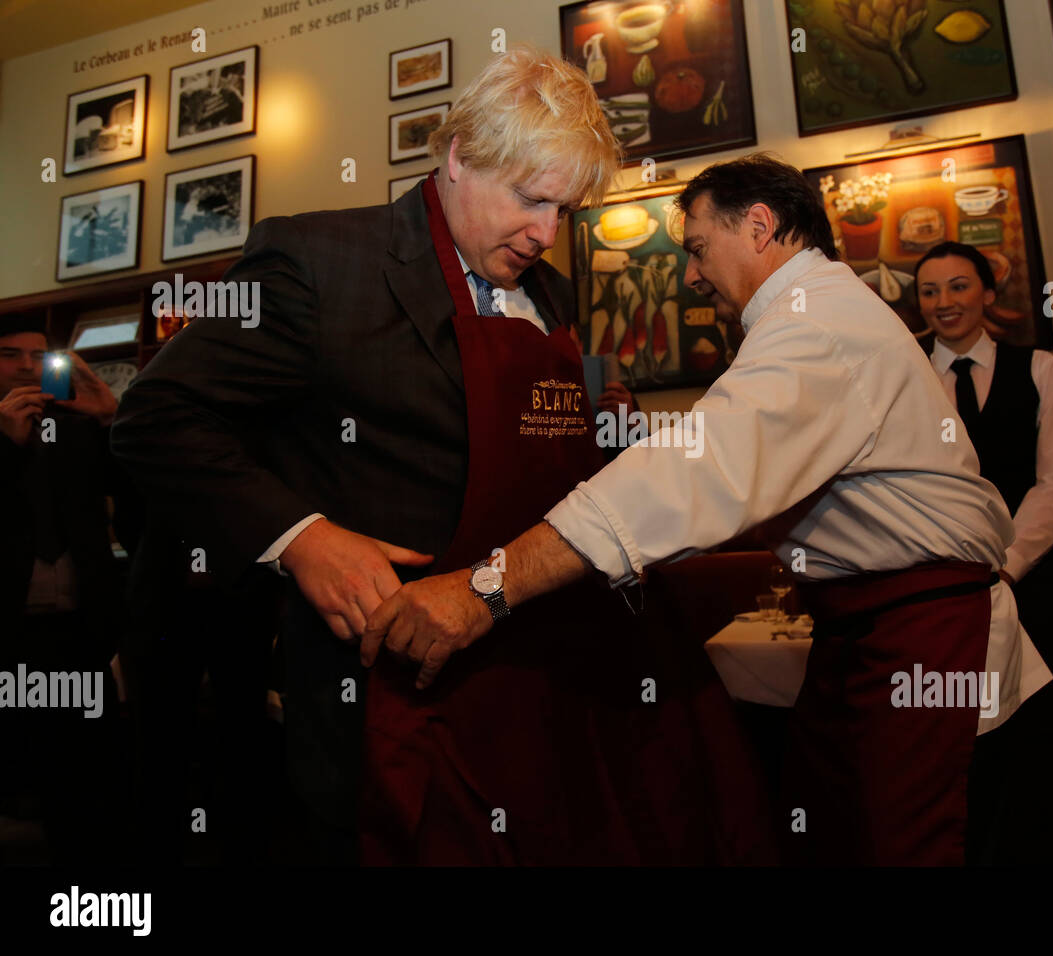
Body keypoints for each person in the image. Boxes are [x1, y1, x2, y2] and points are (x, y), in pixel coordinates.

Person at [112, 46, 770, 865]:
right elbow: (156, 416)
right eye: (532, 199)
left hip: (527, 670)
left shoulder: (549, 291)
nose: (546, 233)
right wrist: (303, 538)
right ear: (459, 157)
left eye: (564, 210)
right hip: (386, 689)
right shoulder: (321, 263)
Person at [360, 153, 1052, 866]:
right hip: (862, 625)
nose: (690, 274)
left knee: (898, 845)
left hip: (920, 629)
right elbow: (727, 456)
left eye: (696, 248)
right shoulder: (809, 313)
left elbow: (695, 474)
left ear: (759, 226)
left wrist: (486, 588)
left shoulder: (817, 324)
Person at [916, 242, 1053, 863]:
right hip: (944, 587)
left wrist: (1007, 562)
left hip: (1039, 581)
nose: (944, 302)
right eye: (928, 291)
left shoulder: (1040, 368)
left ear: (988, 294)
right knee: (966, 745)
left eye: (958, 286)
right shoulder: (907, 376)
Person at [0, 315, 138, 863]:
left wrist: (110, 419)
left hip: (81, 627)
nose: (28, 368)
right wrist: (6, 446)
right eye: (11, 355)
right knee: (17, 766)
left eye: (39, 357)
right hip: (9, 634)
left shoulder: (76, 424)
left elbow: (136, 500)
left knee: (86, 774)